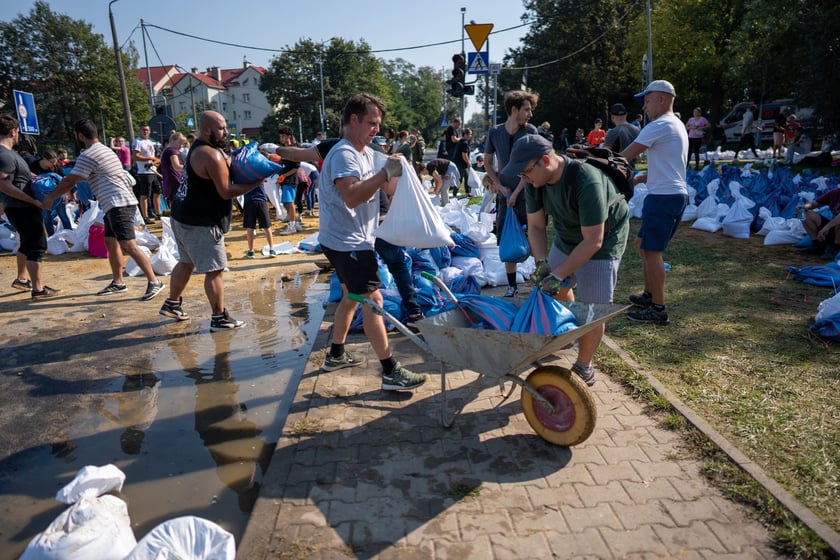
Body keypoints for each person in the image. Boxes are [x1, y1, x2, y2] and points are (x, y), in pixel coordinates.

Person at [317, 93, 428, 390]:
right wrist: (383, 173)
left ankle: (336, 354)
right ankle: (390, 370)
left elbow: (386, 188)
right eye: (372, 122)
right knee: (373, 301)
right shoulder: (344, 154)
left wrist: (397, 170)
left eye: (378, 123)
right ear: (353, 120)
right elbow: (352, 196)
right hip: (347, 243)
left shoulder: (364, 152)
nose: (377, 128)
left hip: (351, 240)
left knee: (351, 297)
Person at [502, 134, 629, 386]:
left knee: (594, 308)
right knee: (557, 289)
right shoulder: (533, 181)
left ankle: (584, 366)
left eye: (526, 172)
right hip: (567, 234)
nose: (524, 179)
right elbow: (536, 227)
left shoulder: (586, 181)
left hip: (604, 239)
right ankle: (570, 331)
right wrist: (543, 265)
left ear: (545, 160)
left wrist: (558, 274)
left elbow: (594, 240)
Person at [276, 135, 424, 324]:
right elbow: (390, 190)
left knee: (364, 293)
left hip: (354, 228)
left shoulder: (334, 146)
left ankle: (359, 338)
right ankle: (413, 311)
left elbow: (299, 155)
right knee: (394, 266)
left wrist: (277, 151)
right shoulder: (375, 151)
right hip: (377, 219)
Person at [158, 110, 263, 331]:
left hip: (181, 216)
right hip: (200, 222)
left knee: (186, 262)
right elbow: (226, 192)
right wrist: (257, 181)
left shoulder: (203, 148)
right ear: (207, 130)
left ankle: (172, 303)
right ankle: (219, 318)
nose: (226, 132)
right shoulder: (209, 154)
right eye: (222, 128)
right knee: (215, 270)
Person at [45, 119, 165, 301]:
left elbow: (70, 180)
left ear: (80, 136)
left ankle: (154, 282)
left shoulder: (89, 154)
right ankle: (118, 282)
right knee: (110, 241)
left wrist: (50, 197)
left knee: (129, 245)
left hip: (119, 203)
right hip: (113, 203)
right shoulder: (105, 150)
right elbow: (94, 175)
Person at [619, 80, 689, 325]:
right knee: (642, 245)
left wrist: (598, 161)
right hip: (671, 194)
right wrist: (641, 179)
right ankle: (649, 295)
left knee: (652, 251)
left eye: (647, 100)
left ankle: (658, 308)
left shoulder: (658, 125)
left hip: (664, 197)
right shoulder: (677, 125)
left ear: (661, 99)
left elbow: (624, 156)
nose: (645, 107)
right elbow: (671, 165)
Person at [484, 89, 539, 297]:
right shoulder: (495, 132)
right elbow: (488, 162)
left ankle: (539, 284)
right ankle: (511, 286)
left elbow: (533, 165)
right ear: (514, 110)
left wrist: (516, 192)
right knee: (506, 238)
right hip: (504, 195)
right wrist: (498, 185)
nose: (530, 114)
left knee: (533, 235)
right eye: (527, 109)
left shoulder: (530, 131)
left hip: (527, 194)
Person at [0, 114, 60, 300]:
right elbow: (3, 184)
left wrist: (36, 178)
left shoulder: (10, 154)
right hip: (22, 207)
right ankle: (38, 289)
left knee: (27, 243)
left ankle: (22, 279)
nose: (18, 135)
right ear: (13, 131)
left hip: (20, 207)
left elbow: (17, 178)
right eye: (17, 132)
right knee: (37, 245)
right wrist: (32, 200)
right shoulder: (4, 155)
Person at [799, 187, 840, 260]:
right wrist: (802, 207)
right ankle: (818, 245)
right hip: (834, 228)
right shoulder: (835, 193)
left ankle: (836, 247)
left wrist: (826, 227)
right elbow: (815, 204)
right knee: (804, 214)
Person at [276, 125, 302, 235]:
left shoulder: (295, 148)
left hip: (291, 180)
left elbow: (296, 167)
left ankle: (292, 226)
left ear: (289, 136)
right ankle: (295, 223)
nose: (281, 138)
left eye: (283, 136)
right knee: (286, 203)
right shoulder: (283, 149)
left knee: (289, 202)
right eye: (280, 136)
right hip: (284, 180)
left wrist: (284, 176)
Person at [131, 125, 160, 224]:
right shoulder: (138, 141)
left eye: (147, 130)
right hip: (144, 172)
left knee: (157, 191)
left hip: (152, 170)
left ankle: (158, 213)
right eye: (143, 130)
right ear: (140, 131)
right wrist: (149, 159)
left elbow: (153, 156)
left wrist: (154, 160)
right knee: (145, 194)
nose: (145, 132)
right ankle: (145, 216)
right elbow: (136, 156)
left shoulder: (149, 142)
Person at [243, 178, 276, 259]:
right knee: (267, 227)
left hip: (249, 201)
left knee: (250, 228)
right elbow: (266, 179)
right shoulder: (259, 172)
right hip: (261, 200)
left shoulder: (243, 174)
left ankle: (251, 251)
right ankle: (271, 249)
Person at [159, 131, 185, 207]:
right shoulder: (172, 151)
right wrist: (190, 167)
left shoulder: (165, 151)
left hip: (169, 182)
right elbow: (176, 166)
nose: (181, 146)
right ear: (173, 140)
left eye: (182, 144)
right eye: (180, 143)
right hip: (175, 181)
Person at [450, 127, 472, 196]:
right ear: (465, 134)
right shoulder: (464, 143)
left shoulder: (461, 141)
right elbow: (464, 155)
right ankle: (454, 194)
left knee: (467, 177)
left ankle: (468, 192)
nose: (470, 136)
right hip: (460, 163)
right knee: (460, 179)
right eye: (469, 134)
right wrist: (469, 162)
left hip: (459, 163)